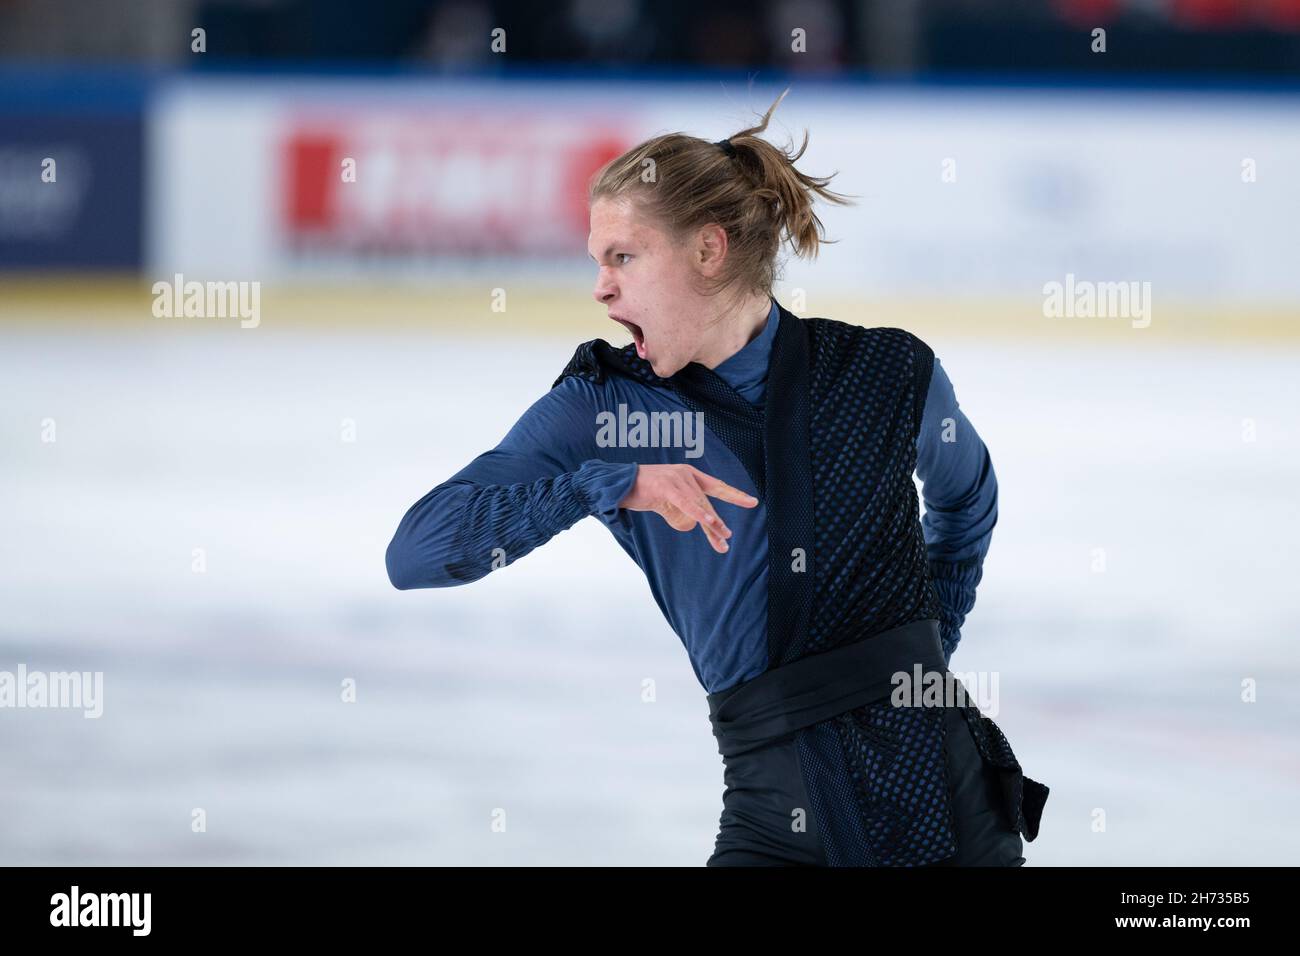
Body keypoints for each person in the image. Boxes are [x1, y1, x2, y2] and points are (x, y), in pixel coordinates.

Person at [385, 88, 1048, 866]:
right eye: (598, 262)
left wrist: (925, 655)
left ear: (708, 250)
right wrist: (603, 486)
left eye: (623, 258)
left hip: (946, 799)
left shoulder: (885, 369)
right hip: (777, 811)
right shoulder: (604, 411)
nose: (600, 287)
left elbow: (968, 500)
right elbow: (415, 554)